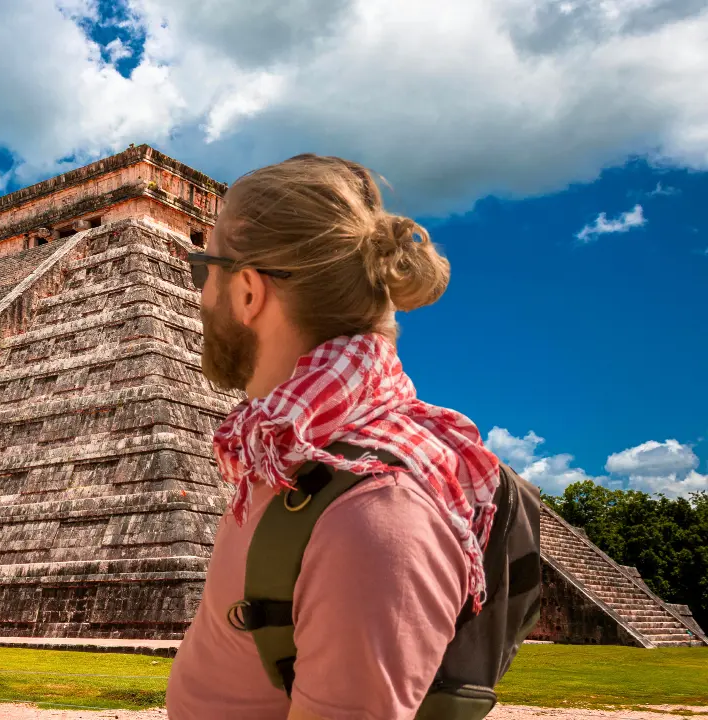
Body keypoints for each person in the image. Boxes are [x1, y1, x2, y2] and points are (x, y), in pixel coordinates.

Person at [166, 154, 503, 720]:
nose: (199, 296)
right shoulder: (288, 454)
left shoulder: (372, 514)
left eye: (205, 268)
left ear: (249, 291)